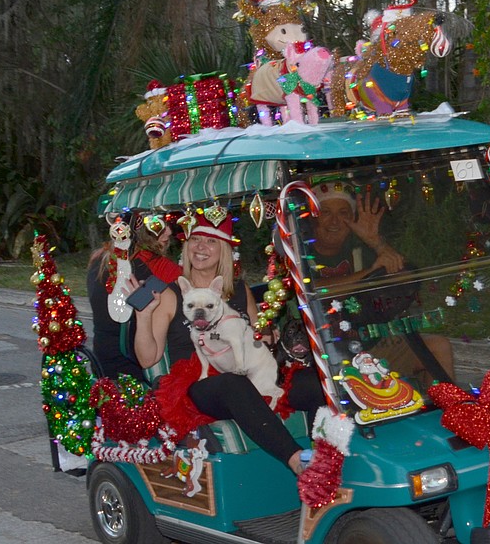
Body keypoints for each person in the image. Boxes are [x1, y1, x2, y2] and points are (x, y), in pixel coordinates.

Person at [132, 213, 323, 474]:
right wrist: (143, 317)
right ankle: (296, 460)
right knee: (234, 382)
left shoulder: (239, 291)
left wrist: (268, 334)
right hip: (200, 384)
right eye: (195, 240)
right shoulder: (172, 293)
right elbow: (147, 358)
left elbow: (259, 340)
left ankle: (326, 455)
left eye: (210, 242)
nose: (200, 247)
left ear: (224, 251)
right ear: (186, 247)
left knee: (315, 382)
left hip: (246, 373)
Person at [309, 182, 455, 383]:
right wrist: (369, 273)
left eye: (343, 213)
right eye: (325, 212)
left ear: (352, 219)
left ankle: (449, 411)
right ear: (313, 218)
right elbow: (313, 290)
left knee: (438, 347)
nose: (334, 221)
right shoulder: (300, 251)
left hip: (371, 346)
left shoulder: (360, 250)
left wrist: (375, 242)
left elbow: (405, 280)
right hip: (324, 353)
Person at [87, 215, 181, 381]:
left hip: (101, 365)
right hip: (137, 373)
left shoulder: (100, 259)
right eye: (159, 225)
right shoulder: (160, 270)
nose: (169, 232)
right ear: (140, 230)